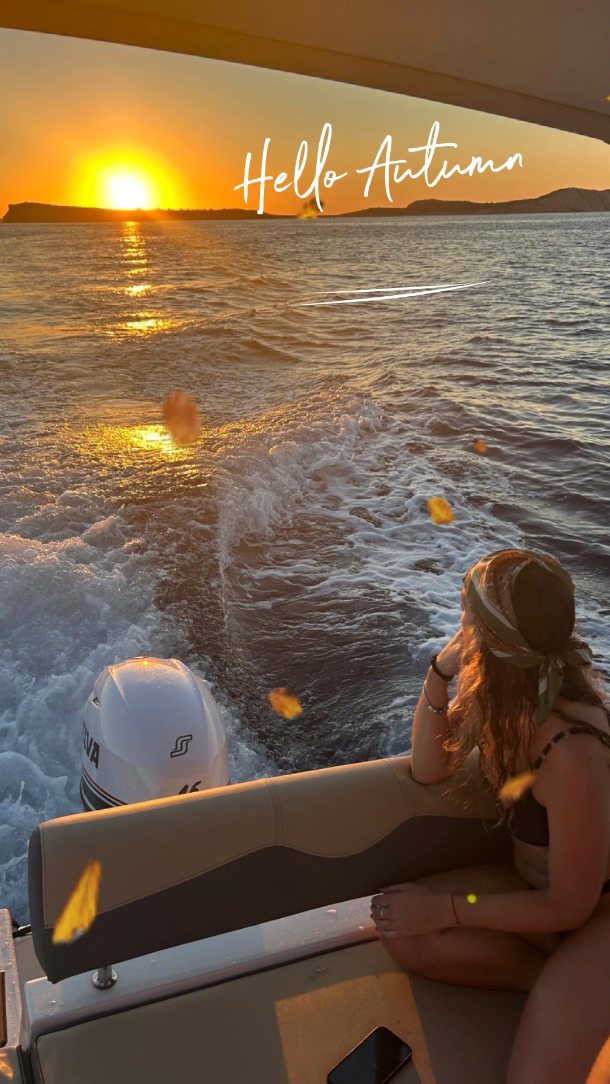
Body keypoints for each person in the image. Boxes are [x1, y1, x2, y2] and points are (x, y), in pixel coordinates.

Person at [370, 548, 610, 1084]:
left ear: (494, 640)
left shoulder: (573, 751)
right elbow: (430, 769)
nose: (461, 624)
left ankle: (568, 987)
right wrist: (440, 672)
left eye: (466, 615)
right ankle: (545, 978)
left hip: (594, 918)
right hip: (543, 903)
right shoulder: (505, 698)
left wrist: (448, 911)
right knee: (398, 926)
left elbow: (571, 904)